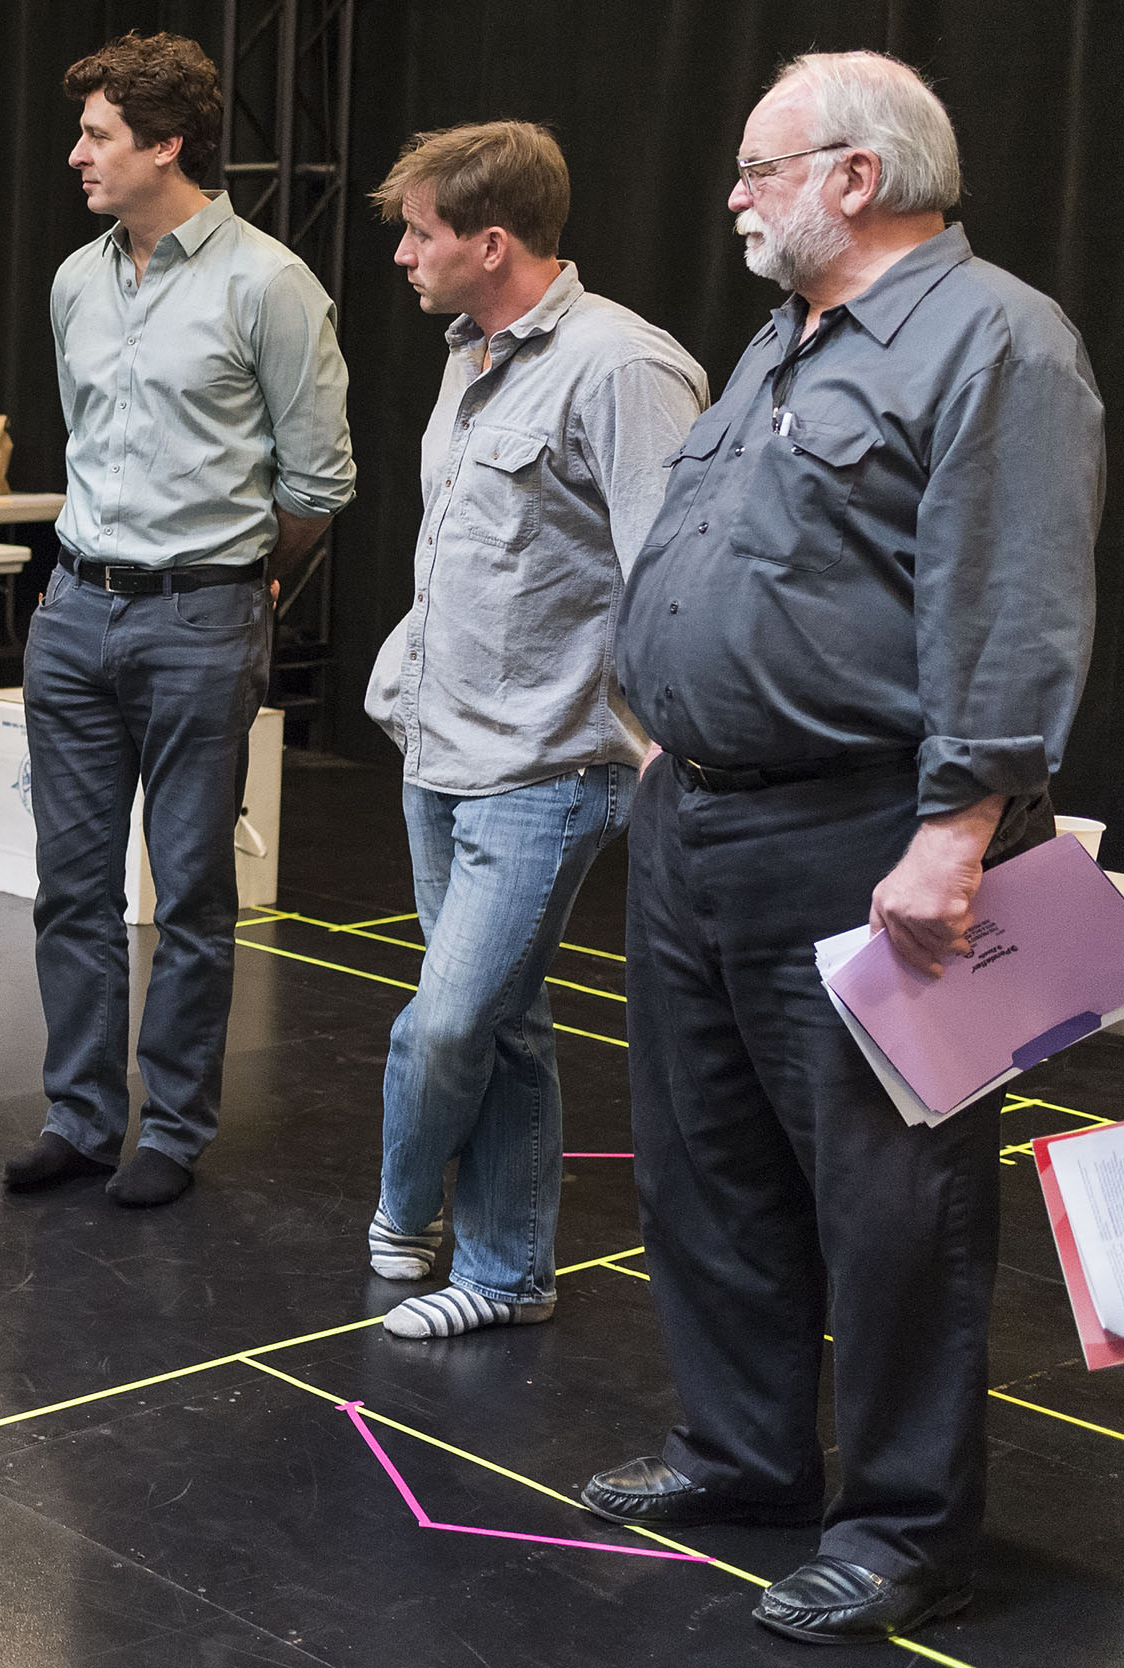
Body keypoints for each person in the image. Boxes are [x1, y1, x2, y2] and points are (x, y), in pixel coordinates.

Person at [583, 53, 1102, 1648]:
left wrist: (956, 830)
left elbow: (1010, 598)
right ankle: (744, 1454)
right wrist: (668, 731)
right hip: (697, 818)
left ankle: (899, 1527)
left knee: (893, 1208)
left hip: (864, 832)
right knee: (705, 1165)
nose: (733, 194)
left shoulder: (997, 336)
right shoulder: (778, 342)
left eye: (759, 167)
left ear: (856, 177)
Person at [359, 122, 705, 1338]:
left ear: (491, 242)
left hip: (549, 767)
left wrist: (669, 752)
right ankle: (507, 1272)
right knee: (501, 1020)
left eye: (421, 231)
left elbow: (672, 576)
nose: (402, 252)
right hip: (436, 744)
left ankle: (403, 1206)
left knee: (450, 1018)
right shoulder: (470, 352)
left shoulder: (622, 369)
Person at [7, 31, 356, 1207]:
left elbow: (316, 484)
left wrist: (247, 581)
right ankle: (82, 1114)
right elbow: (86, 440)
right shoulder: (75, 279)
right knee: (70, 883)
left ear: (167, 144)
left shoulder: (267, 282)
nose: (78, 156)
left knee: (194, 887)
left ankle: (173, 1130)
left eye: (98, 134)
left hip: (203, 617)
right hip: (72, 609)